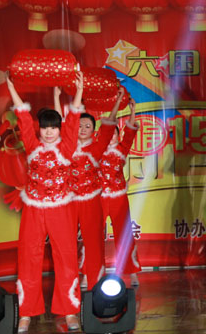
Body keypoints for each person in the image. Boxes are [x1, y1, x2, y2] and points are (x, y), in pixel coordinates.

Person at [6, 72, 84, 333]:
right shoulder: (31, 145)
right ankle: (26, 313)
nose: (49, 132)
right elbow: (23, 116)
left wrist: (79, 91)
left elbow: (73, 120)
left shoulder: (66, 147)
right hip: (34, 209)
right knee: (28, 257)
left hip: (61, 209)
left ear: (59, 129)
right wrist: (11, 87)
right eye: (45, 127)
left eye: (53, 127)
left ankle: (70, 311)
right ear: (39, 129)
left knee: (66, 257)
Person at [62, 87, 123, 290]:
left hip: (91, 201)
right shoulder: (67, 148)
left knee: (94, 243)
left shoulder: (97, 147)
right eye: (80, 125)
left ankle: (94, 281)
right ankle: (69, 282)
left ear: (93, 130)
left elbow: (109, 126)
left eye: (87, 126)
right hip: (70, 201)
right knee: (66, 243)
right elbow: (63, 125)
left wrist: (117, 102)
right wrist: (55, 97)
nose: (82, 129)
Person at [98, 92, 140, 286]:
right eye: (108, 134)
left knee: (124, 236)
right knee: (94, 236)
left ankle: (132, 272)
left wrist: (133, 111)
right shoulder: (96, 151)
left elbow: (130, 133)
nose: (111, 137)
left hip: (119, 198)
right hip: (99, 197)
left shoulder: (122, 149)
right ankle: (91, 272)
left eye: (114, 133)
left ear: (117, 135)